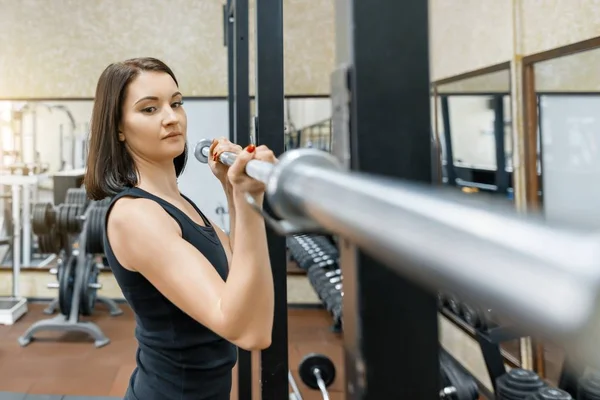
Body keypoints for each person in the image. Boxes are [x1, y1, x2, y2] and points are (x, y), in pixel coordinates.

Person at [83, 57, 276, 400]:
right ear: (119, 128)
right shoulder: (136, 215)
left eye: (176, 103)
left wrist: (233, 190)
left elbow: (242, 285)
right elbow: (249, 332)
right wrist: (250, 198)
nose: (171, 117)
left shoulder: (182, 206)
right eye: (149, 109)